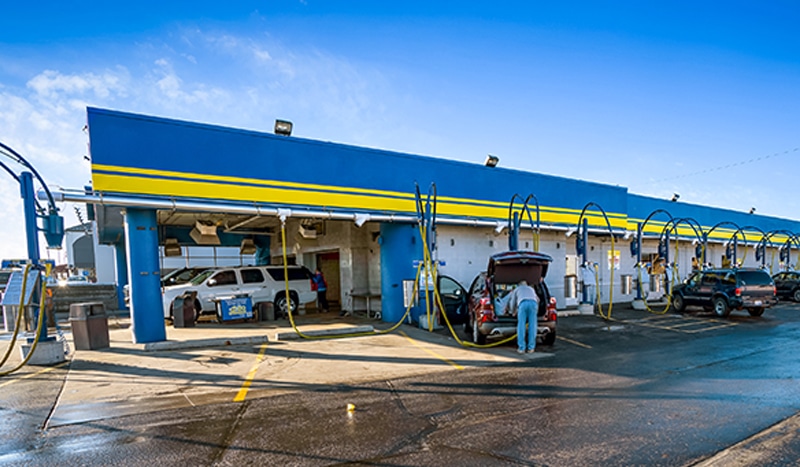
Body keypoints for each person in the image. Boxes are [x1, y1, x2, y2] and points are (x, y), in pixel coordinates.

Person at [504, 279, 540, 354]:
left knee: (521, 326)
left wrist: (512, 311)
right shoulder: (531, 289)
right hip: (533, 304)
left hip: (522, 304)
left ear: (519, 284)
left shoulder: (517, 289)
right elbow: (538, 299)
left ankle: (522, 348)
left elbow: (512, 302)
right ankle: (531, 348)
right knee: (532, 326)